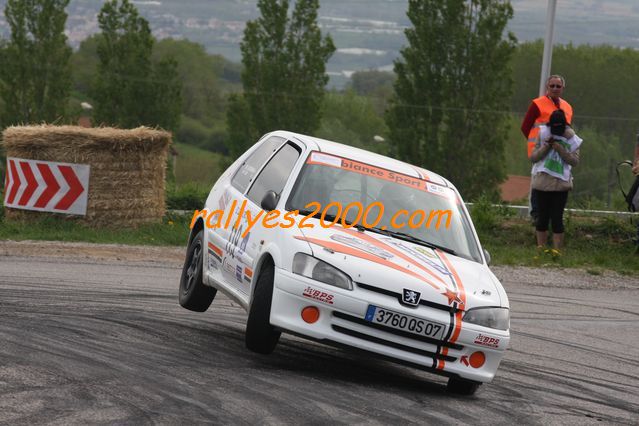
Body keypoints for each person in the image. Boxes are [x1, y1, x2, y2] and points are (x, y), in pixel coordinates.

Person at [530, 109, 582, 258]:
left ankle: (557, 251)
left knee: (557, 218)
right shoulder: (543, 133)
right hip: (542, 183)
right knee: (542, 218)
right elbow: (533, 157)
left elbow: (575, 161)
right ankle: (540, 250)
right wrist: (546, 147)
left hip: (561, 185)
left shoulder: (571, 137)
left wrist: (559, 149)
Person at [521, 75, 574, 222]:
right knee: (539, 179)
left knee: (558, 178)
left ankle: (553, 213)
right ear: (547, 87)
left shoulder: (567, 107)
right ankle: (536, 213)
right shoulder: (537, 104)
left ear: (563, 88)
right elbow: (525, 126)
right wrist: (536, 143)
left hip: (559, 150)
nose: (555, 89)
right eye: (552, 86)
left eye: (558, 86)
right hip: (541, 149)